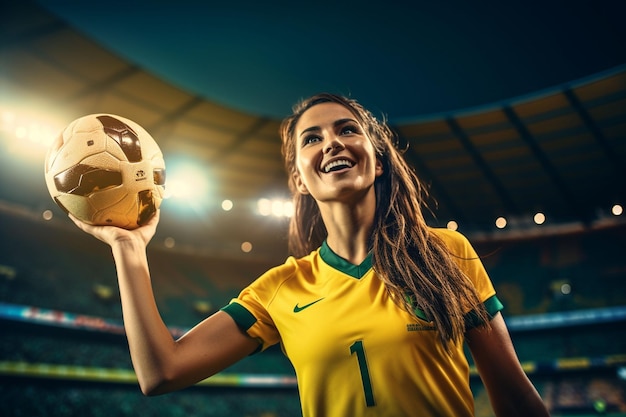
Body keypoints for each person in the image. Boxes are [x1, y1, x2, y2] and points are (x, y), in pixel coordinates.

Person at [70, 93, 551, 417]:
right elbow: (161, 373)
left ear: (377, 159)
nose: (332, 143)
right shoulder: (281, 288)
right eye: (312, 138)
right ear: (299, 178)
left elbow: (512, 395)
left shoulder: (446, 252)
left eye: (347, 130)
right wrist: (129, 248)